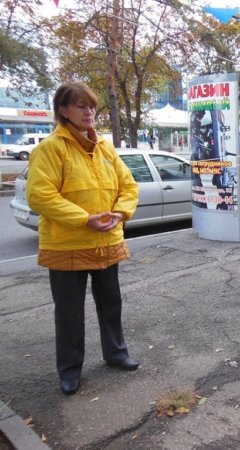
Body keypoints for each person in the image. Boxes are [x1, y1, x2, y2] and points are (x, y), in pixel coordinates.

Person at [26, 82, 140, 396]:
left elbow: (128, 187)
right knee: (69, 312)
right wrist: (83, 218)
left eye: (91, 106)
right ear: (62, 111)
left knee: (111, 304)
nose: (88, 111)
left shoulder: (104, 147)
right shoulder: (50, 148)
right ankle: (70, 370)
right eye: (80, 106)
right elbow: (39, 195)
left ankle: (116, 353)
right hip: (67, 245)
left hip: (106, 242)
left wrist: (120, 212)